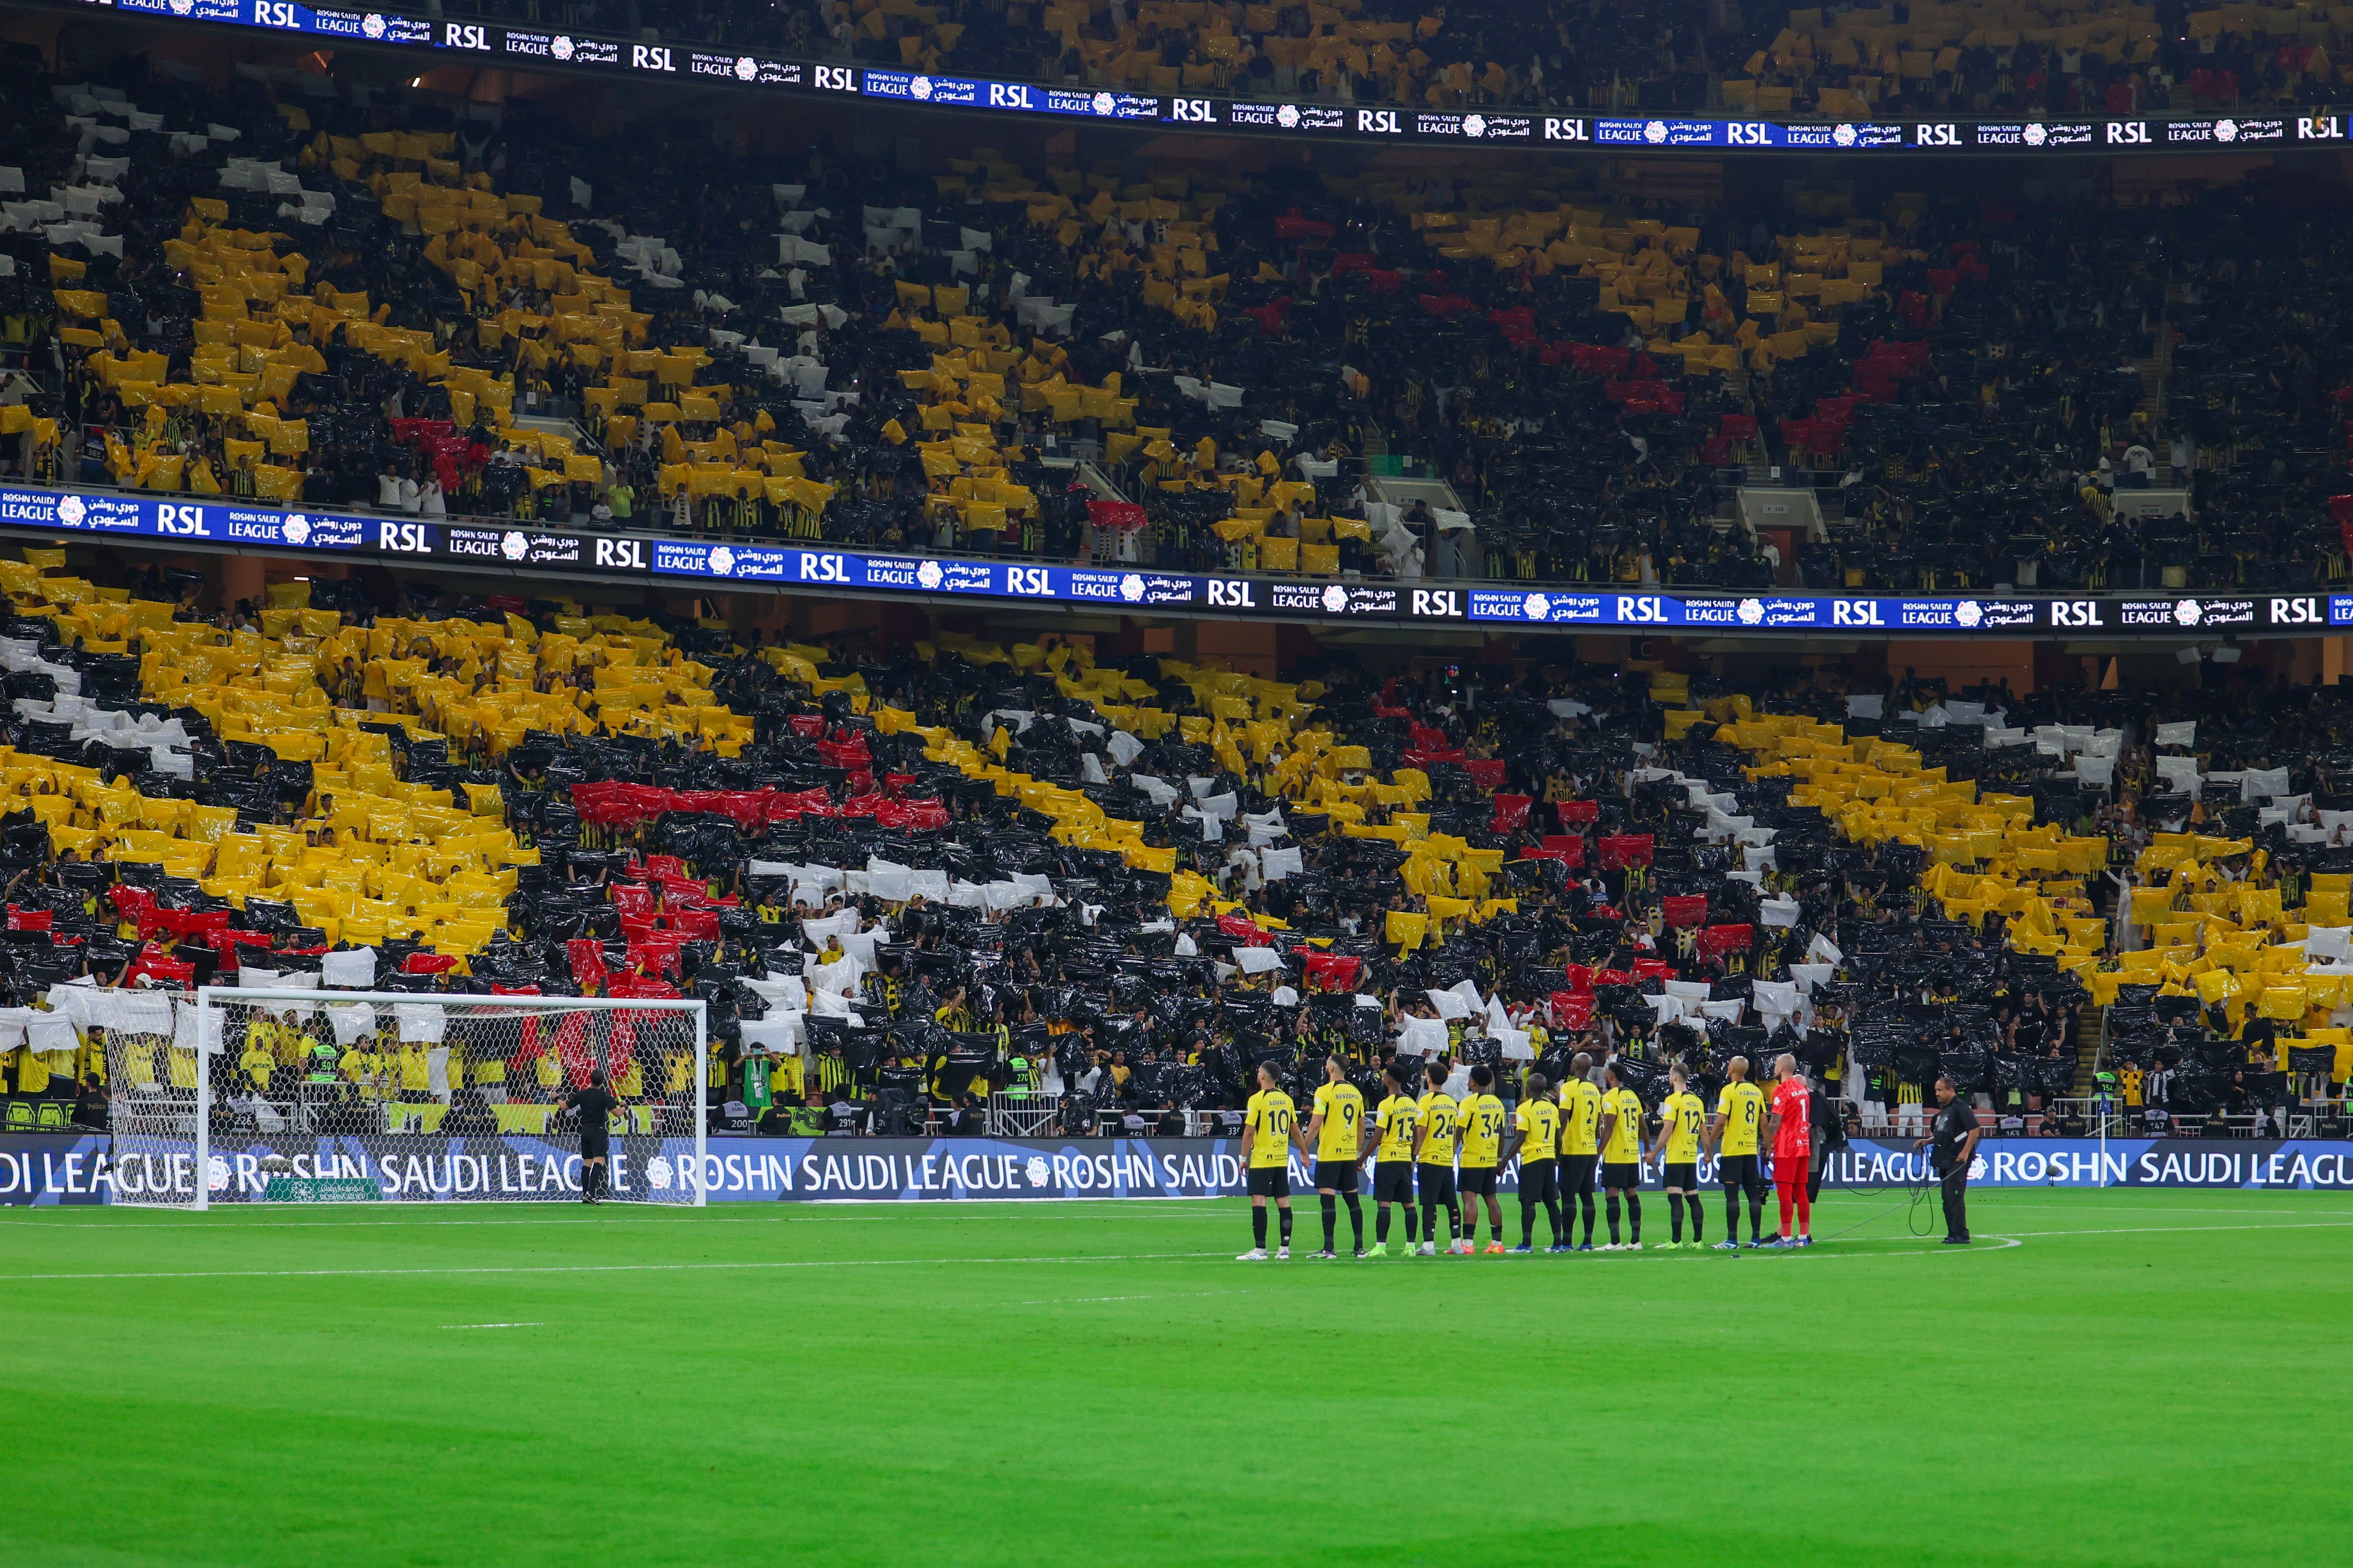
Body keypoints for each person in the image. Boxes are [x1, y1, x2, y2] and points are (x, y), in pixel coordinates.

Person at [1301, 1054, 1367, 1259]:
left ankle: (1329, 1249)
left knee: (1328, 1201)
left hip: (1330, 1153)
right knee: (1353, 1201)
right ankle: (1359, 1248)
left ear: (1330, 1068)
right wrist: (1358, 1153)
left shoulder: (1324, 1092)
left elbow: (1315, 1124)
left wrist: (1304, 1150)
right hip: (1349, 1154)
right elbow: (1361, 1125)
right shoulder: (1355, 1093)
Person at [1236, 1061, 1296, 1261]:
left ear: (1263, 1076)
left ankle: (1260, 1250)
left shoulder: (1257, 1100)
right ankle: (1284, 1249)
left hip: (1263, 1158)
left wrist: (1243, 1157)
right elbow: (1294, 1127)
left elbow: (1249, 1131)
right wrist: (1304, 1152)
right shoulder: (1287, 1099)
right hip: (1281, 1158)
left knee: (1259, 1201)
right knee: (1284, 1202)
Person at [1708, 1054, 1770, 1249]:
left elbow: (1720, 1122)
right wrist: (1769, 1146)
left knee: (1732, 1195)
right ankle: (1756, 1239)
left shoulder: (1728, 1091)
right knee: (1753, 1194)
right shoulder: (1756, 1091)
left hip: (1733, 1149)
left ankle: (1732, 1240)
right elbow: (1764, 1122)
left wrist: (1708, 1144)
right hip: (1751, 1149)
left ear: (1732, 1070)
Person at [1498, 1071, 1563, 1254]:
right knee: (1551, 1202)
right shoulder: (1552, 1107)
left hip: (1533, 1158)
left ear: (1531, 1088)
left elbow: (1521, 1137)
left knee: (1528, 1201)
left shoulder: (1525, 1108)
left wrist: (1504, 1161)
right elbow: (1559, 1137)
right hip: (1549, 1158)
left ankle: (1527, 1244)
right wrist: (1558, 1157)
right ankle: (1558, 1244)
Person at [1918, 1074, 1983, 1244]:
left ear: (1951, 1090)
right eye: (1936, 1091)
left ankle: (1961, 1234)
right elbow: (1946, 1134)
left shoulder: (1961, 1107)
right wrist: (1928, 1141)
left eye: (1940, 1090)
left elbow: (1975, 1129)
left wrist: (1965, 1152)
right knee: (1947, 1197)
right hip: (1946, 1158)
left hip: (1958, 1158)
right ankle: (1953, 1233)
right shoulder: (1944, 1111)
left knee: (1955, 1196)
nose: (1937, 1093)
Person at [1362, 1061, 1420, 1257]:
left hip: (1388, 1158)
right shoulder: (1412, 1103)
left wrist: (1362, 1157)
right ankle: (1411, 1246)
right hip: (1405, 1159)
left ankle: (1381, 1247)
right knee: (1409, 1204)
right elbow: (1417, 1134)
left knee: (1384, 1203)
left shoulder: (1386, 1104)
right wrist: (1413, 1156)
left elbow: (1377, 1135)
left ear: (1387, 1079)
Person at [1648, 1066, 1707, 1250]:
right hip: (1691, 1155)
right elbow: (1704, 1131)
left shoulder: (1673, 1100)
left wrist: (1654, 1153)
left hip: (1676, 1156)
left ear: (1674, 1077)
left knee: (1675, 1198)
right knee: (1693, 1197)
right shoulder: (1697, 1100)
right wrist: (1709, 1153)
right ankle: (1698, 1241)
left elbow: (1667, 1129)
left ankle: (1676, 1241)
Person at [1455, 1064, 1509, 1255]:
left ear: (1474, 1081)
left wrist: (1452, 1152)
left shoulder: (1469, 1103)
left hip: (1472, 1158)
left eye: (1470, 1077)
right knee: (1492, 1199)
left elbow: (1459, 1132)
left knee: (1470, 1199)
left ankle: (1468, 1244)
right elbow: (1502, 1134)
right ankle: (1497, 1243)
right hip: (1491, 1159)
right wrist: (1499, 1159)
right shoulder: (1497, 1103)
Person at [1413, 1056, 1463, 1256]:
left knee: (1429, 1202)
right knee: (1452, 1202)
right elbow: (1455, 1131)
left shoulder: (1425, 1102)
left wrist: (1414, 1154)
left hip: (1429, 1158)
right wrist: (1451, 1153)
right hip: (1446, 1158)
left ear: (1429, 1079)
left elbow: (1421, 1131)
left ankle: (1429, 1245)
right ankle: (1457, 1243)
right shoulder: (1452, 1103)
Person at [549, 1067, 620, 1204]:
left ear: (590, 1080)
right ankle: (592, 1194)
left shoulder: (582, 1094)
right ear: (603, 1082)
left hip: (585, 1130)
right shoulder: (605, 1096)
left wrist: (557, 1098)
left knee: (587, 1162)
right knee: (600, 1161)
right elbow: (618, 1113)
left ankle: (585, 1194)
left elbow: (564, 1107)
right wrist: (625, 1107)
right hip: (598, 1130)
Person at [1765, 1053, 1813, 1248]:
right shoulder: (1803, 1090)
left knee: (1784, 1192)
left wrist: (1767, 1143)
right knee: (1801, 1192)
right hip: (1803, 1145)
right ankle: (1803, 1237)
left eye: (1776, 1065)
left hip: (1787, 1146)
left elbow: (1775, 1122)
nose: (1775, 1068)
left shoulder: (1781, 1090)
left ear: (1783, 1068)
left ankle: (1785, 1238)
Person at [1597, 1060, 1645, 1250]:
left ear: (1610, 1076)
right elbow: (1643, 1126)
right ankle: (1636, 1241)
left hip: (1616, 1153)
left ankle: (1615, 1241)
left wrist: (1598, 1153)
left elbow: (1609, 1127)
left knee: (1612, 1193)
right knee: (1632, 1193)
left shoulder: (1610, 1097)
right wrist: (1647, 1149)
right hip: (1633, 1152)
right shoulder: (1633, 1096)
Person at [1558, 1050, 1603, 1250]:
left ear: (1576, 1067)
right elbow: (1596, 1124)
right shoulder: (1594, 1090)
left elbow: (1562, 1120)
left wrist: (1556, 1146)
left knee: (1568, 1195)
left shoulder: (1569, 1088)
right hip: (1590, 1149)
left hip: (1573, 1148)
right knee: (1587, 1195)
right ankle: (1588, 1241)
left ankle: (1566, 1242)